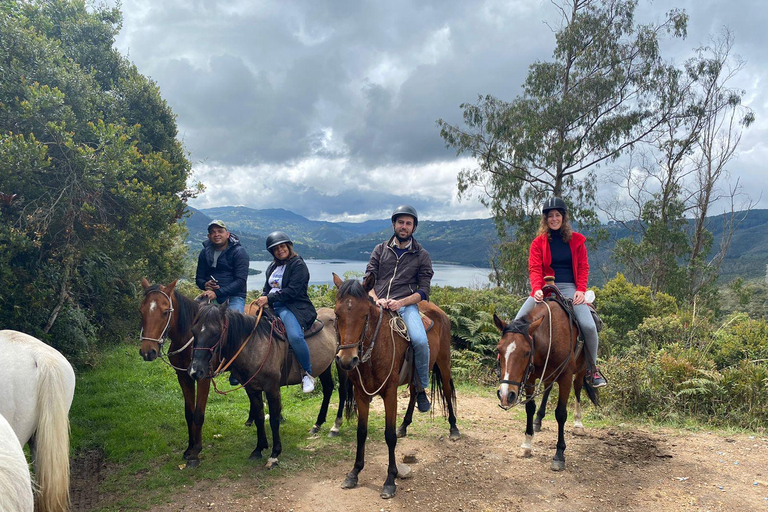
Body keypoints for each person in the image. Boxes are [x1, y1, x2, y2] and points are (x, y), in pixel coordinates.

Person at [514, 197, 607, 387]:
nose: (554, 219)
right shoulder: (537, 243)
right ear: (545, 219)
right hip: (544, 287)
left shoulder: (577, 241)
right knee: (516, 324)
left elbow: (583, 268)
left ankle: (592, 370)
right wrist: (536, 289)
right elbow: (534, 268)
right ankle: (514, 369)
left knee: (589, 326)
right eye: (550, 216)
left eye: (557, 215)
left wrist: (581, 291)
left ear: (563, 218)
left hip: (570, 288)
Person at [365, 205, 434, 412]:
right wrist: (376, 299)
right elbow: (368, 279)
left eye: (408, 223)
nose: (404, 226)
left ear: (414, 228)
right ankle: (359, 382)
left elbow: (423, 291)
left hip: (405, 306)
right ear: (394, 224)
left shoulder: (422, 255)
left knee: (420, 341)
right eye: (401, 222)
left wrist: (401, 302)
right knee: (352, 332)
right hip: (377, 303)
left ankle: (421, 388)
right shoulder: (380, 249)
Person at [253, 231, 317, 393]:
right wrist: (263, 297)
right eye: (276, 249)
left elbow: (293, 291)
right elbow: (267, 288)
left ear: (288, 246)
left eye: (282, 246)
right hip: (274, 306)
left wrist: (269, 299)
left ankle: (307, 373)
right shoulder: (272, 267)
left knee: (295, 336)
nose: (280, 250)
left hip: (292, 306)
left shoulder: (298, 265)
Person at [195, 220, 250, 313]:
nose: (216, 234)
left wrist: (217, 293)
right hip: (211, 295)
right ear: (209, 237)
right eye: (212, 232)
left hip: (234, 296)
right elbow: (199, 278)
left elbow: (240, 281)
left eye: (220, 231)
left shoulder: (239, 252)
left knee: (232, 323)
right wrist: (205, 284)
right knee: (190, 317)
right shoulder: (204, 253)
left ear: (227, 234)